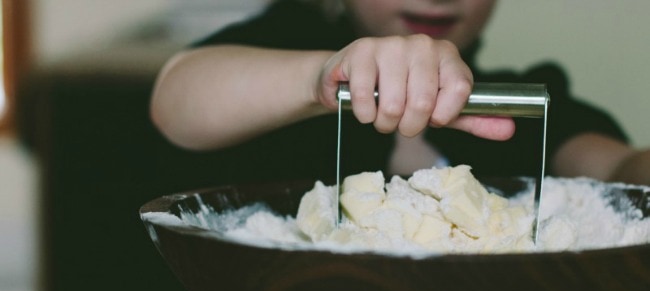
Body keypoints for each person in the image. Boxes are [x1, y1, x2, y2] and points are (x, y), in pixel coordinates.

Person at [150, 0, 650, 186]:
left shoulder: (517, 100)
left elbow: (618, 170)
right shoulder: (283, 42)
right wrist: (318, 79)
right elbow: (176, 100)